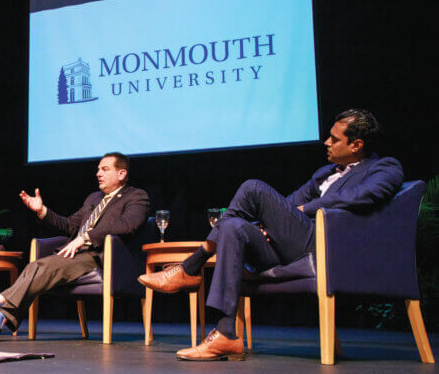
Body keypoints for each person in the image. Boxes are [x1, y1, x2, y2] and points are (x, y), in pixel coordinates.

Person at [139, 109, 404, 361]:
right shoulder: (324, 174)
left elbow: (359, 197)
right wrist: (268, 224)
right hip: (290, 245)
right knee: (232, 226)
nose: (326, 142)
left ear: (356, 145)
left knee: (252, 188)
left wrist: (304, 209)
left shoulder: (385, 168)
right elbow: (286, 205)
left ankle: (191, 266)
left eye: (334, 139)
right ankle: (226, 333)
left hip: (323, 245)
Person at [0, 152, 149, 341]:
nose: (98, 173)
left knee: (41, 267)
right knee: (35, 266)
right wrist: (42, 211)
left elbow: (126, 225)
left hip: (102, 257)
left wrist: (86, 237)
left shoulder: (136, 197)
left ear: (121, 174)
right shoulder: (94, 198)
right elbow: (69, 225)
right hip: (75, 254)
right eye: (98, 169)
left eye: (105, 169)